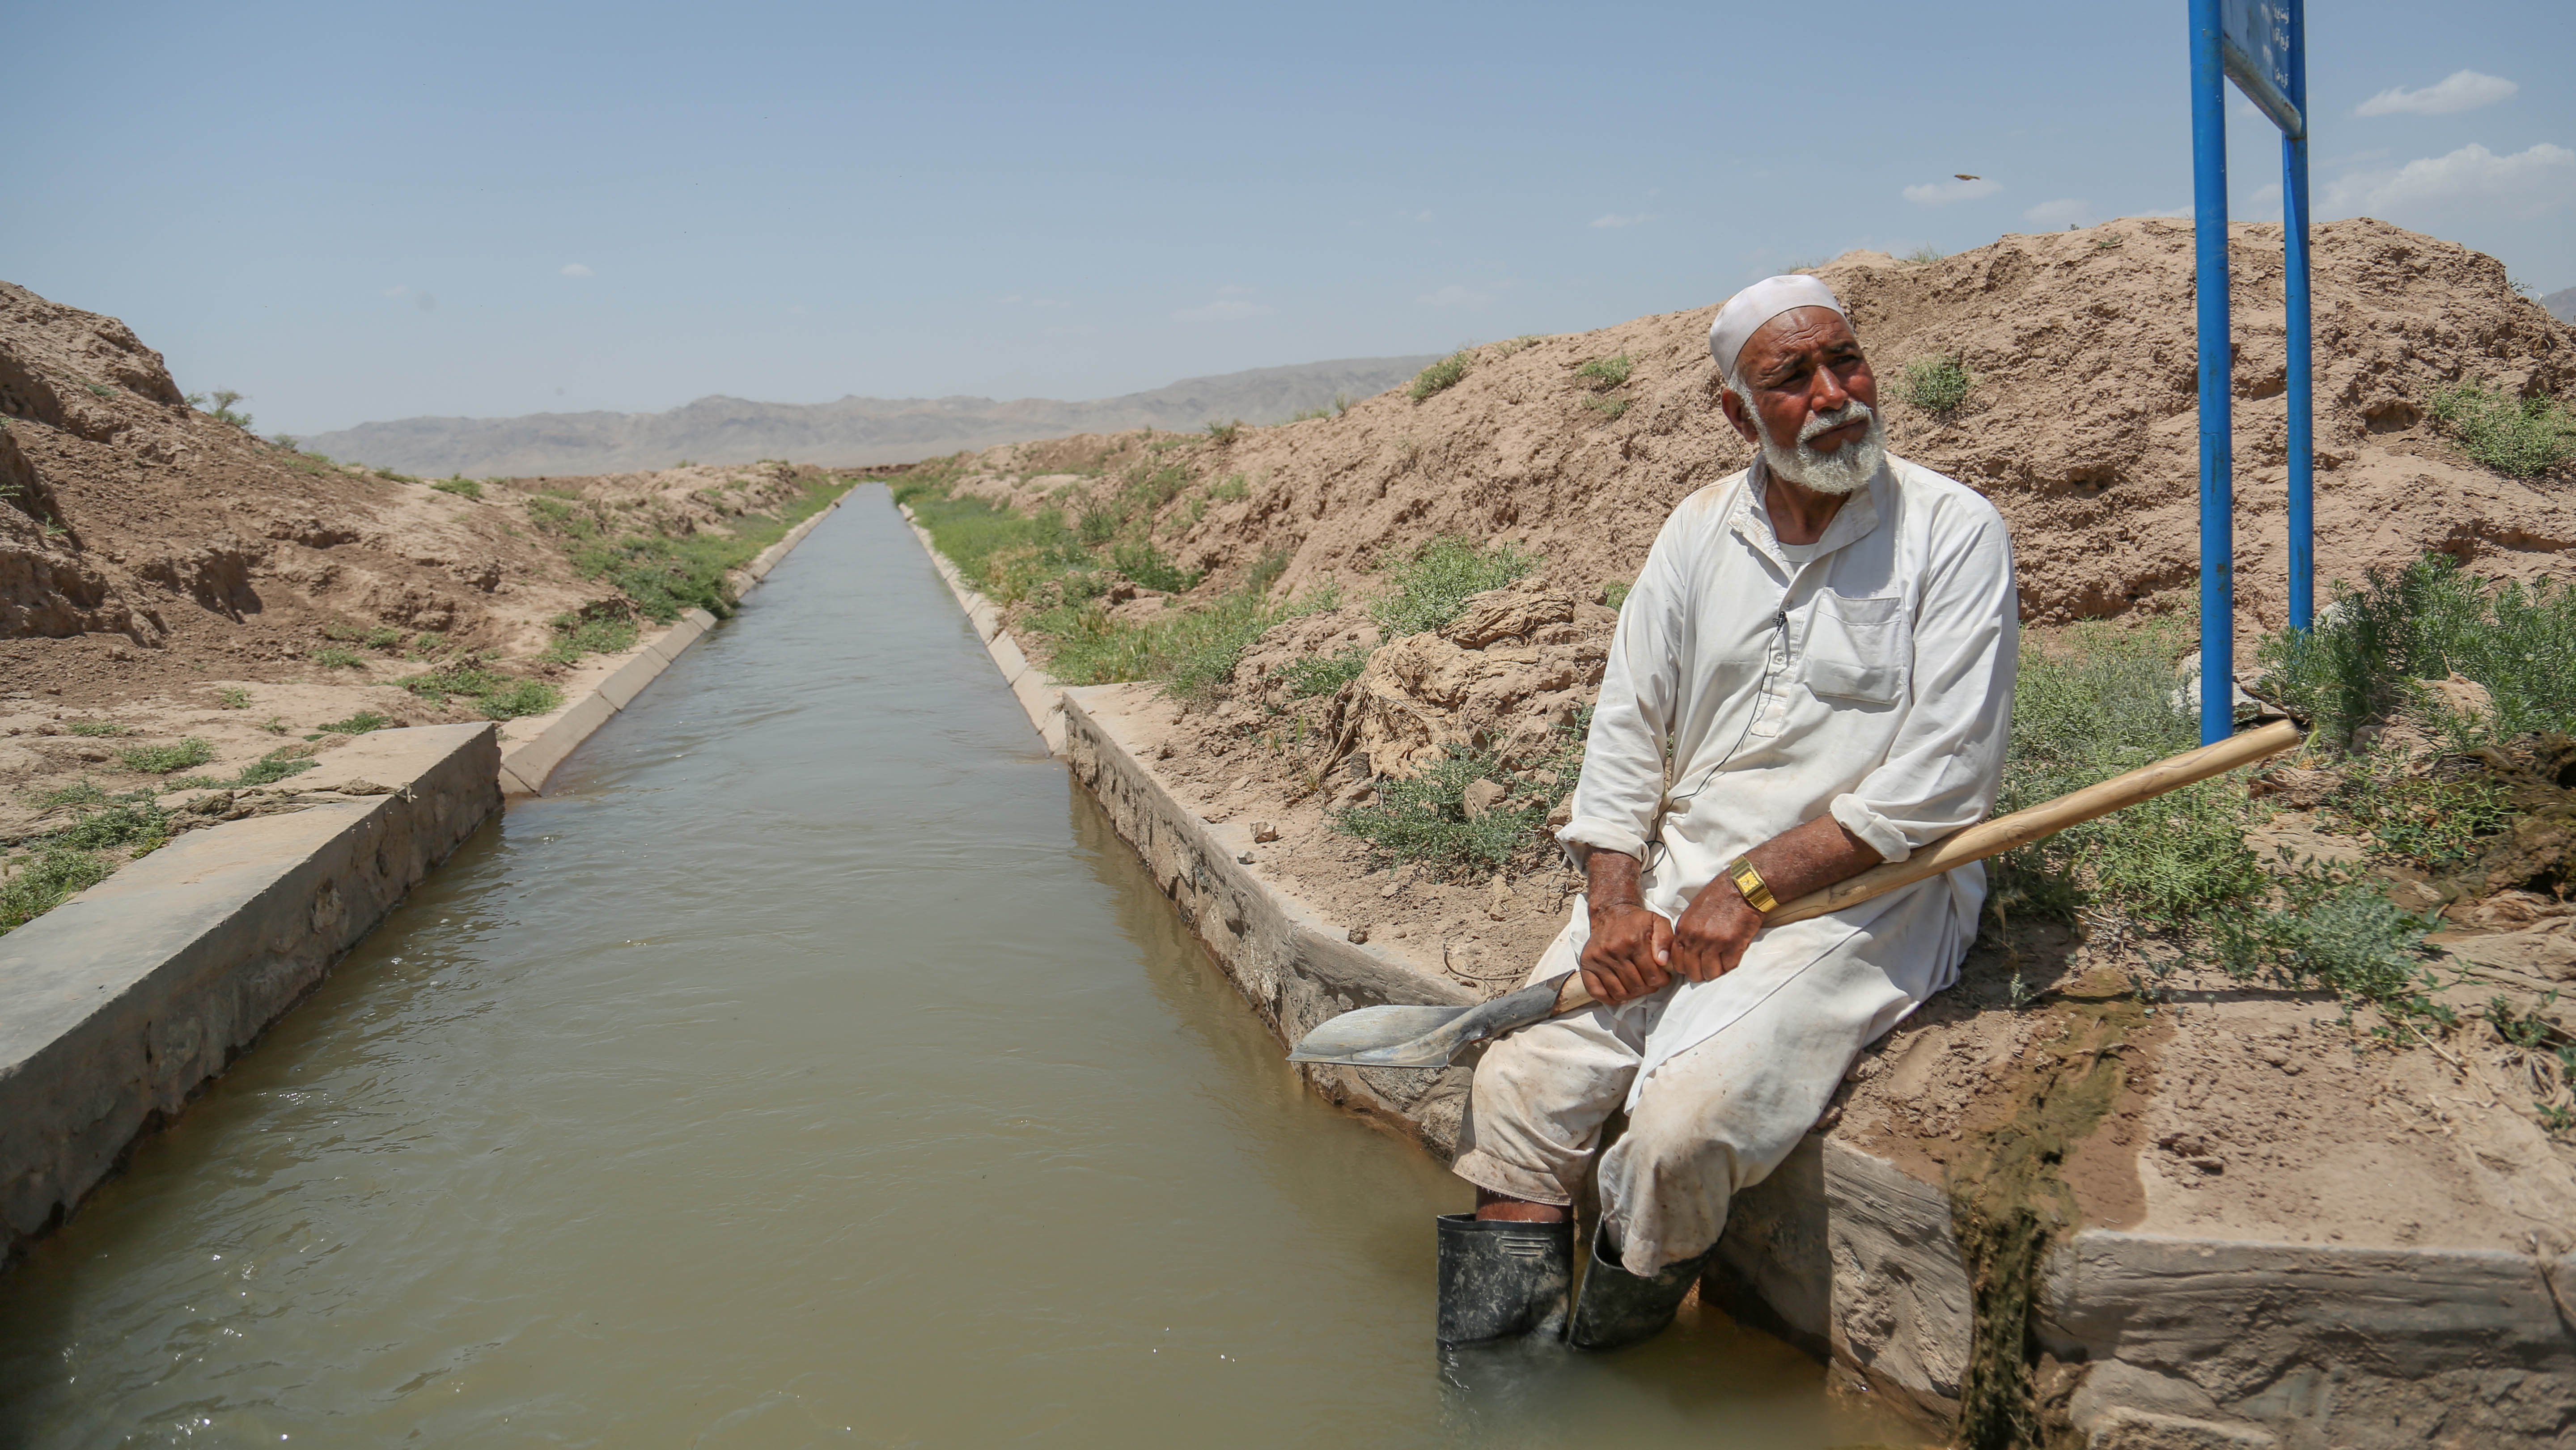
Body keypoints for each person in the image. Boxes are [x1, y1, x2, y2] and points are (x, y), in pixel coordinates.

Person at [1434, 275, 2019, 1350]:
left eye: (1845, 362)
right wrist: (1614, 903)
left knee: (1678, 1132)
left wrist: (1751, 886)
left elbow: (1944, 778)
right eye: (1790, 380)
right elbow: (1624, 731)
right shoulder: (1697, 531)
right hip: (1676, 889)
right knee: (1518, 1080)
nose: (1835, 394)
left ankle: (1608, 1362)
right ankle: (1501, 1391)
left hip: (1859, 897)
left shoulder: (1952, 530)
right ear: (1736, 412)